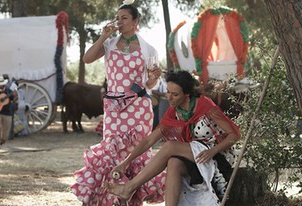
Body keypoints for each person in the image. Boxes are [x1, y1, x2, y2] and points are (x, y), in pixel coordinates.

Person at [70, 2, 165, 205]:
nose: (119, 22)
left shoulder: (149, 49)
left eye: (124, 18)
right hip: (114, 108)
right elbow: (87, 59)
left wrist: (155, 78)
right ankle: (109, 198)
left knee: (137, 151)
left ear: (135, 21)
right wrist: (103, 35)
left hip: (139, 108)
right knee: (111, 149)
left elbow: (149, 84)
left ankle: (132, 198)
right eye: (117, 17)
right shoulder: (110, 44)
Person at [106, 71, 241, 206]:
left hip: (217, 155)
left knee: (170, 146)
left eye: (175, 94)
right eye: (168, 92)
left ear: (187, 94)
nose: (169, 98)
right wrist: (125, 162)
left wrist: (212, 151)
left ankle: (129, 188)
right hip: (195, 156)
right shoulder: (173, 112)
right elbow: (148, 140)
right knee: (173, 163)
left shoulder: (205, 106)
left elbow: (235, 135)